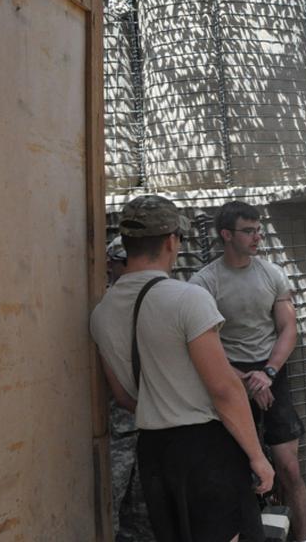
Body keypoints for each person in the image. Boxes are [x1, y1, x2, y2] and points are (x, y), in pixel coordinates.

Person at [90, 195, 274, 542]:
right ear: (172, 241)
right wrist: (257, 457)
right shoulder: (187, 298)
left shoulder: (101, 313)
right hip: (204, 449)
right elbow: (224, 389)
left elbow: (124, 395)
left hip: (153, 452)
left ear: (127, 243)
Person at [190, 201, 306, 542]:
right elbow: (203, 344)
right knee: (239, 472)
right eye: (249, 231)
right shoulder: (204, 282)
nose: (257, 237)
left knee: (289, 468)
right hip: (229, 377)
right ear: (227, 235)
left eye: (259, 230)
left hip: (272, 373)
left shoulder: (271, 273)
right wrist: (242, 379)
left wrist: (268, 373)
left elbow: (288, 328)